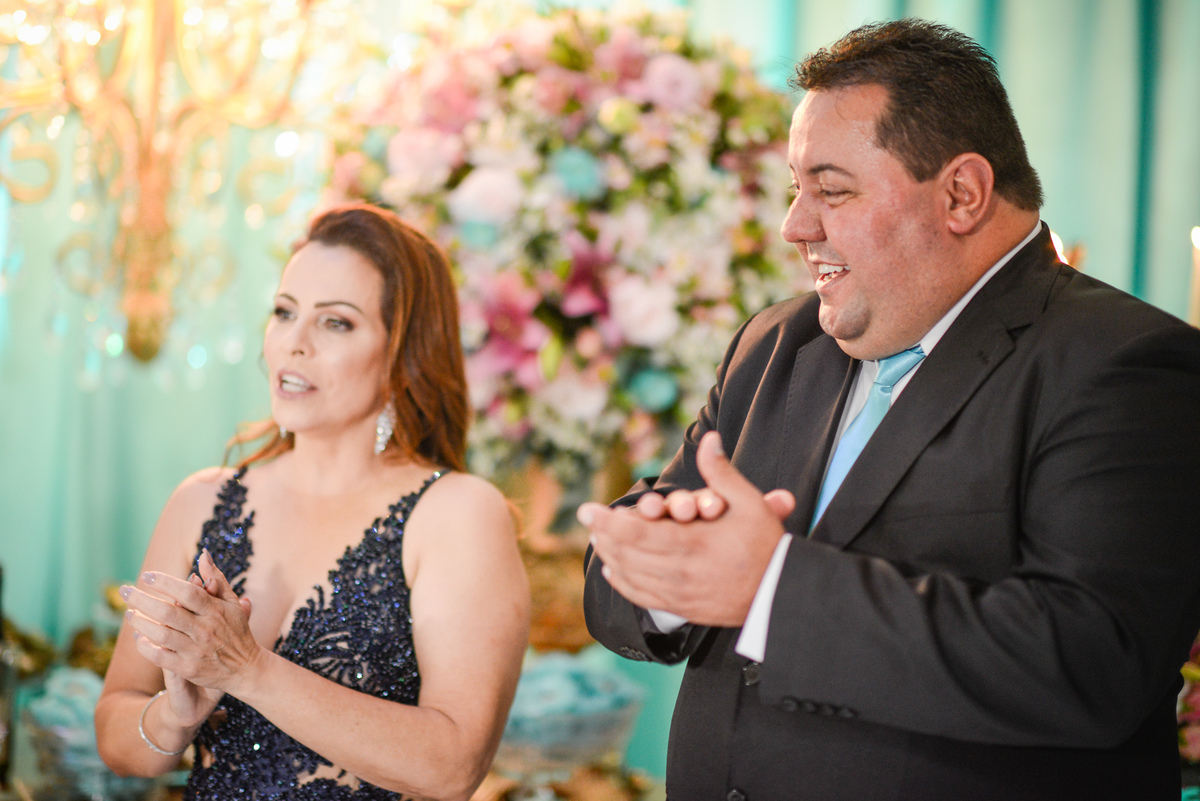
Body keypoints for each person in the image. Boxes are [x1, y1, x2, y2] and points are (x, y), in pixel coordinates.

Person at [580, 18, 1200, 801]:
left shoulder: (1128, 364)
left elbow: (1090, 662)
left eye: (832, 189)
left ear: (962, 194)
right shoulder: (775, 343)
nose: (795, 226)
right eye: (795, 188)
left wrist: (771, 588)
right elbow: (619, 582)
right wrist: (662, 569)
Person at [95, 203, 530, 801]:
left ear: (403, 354)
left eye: (336, 323)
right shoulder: (201, 501)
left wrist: (248, 670)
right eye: (284, 312)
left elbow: (454, 767)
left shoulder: (456, 512)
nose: (294, 343)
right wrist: (176, 716)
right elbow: (116, 738)